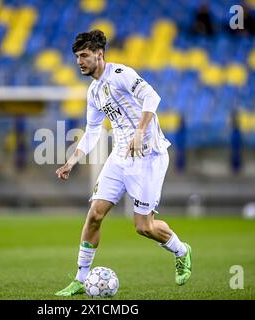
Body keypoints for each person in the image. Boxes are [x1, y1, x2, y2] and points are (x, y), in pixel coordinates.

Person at [54, 30, 192, 297]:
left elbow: (152, 98)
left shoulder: (121, 75)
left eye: (84, 55)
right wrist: (71, 161)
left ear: (99, 54)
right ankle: (81, 279)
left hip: (149, 157)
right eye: (77, 57)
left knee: (144, 227)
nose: (79, 61)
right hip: (120, 157)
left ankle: (182, 251)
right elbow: (93, 130)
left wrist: (140, 131)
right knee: (94, 214)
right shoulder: (93, 92)